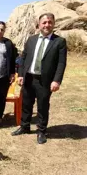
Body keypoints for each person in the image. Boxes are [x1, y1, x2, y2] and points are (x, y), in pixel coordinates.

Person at [11, 13, 67, 144]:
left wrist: (57, 80)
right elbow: (23, 58)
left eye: (50, 22)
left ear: (53, 24)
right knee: (26, 104)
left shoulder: (59, 42)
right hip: (29, 78)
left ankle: (41, 131)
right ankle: (24, 127)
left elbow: (61, 63)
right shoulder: (31, 40)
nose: (47, 25)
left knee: (42, 106)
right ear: (39, 24)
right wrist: (20, 74)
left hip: (45, 80)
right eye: (44, 22)